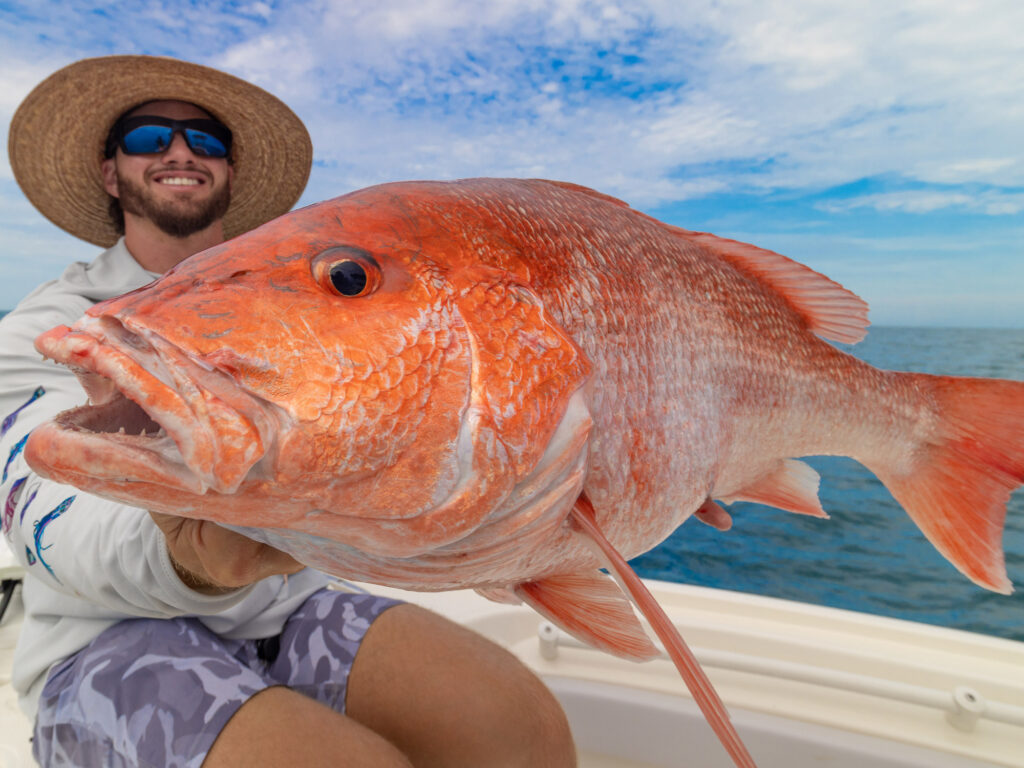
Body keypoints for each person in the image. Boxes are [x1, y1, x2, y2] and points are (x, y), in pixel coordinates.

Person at [0, 55, 575, 768]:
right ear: (110, 170)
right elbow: (42, 512)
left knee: (522, 729)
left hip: (286, 606)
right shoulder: (50, 328)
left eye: (206, 140)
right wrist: (189, 559)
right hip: (104, 635)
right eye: (148, 137)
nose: (181, 152)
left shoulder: (309, 309)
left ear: (231, 172)